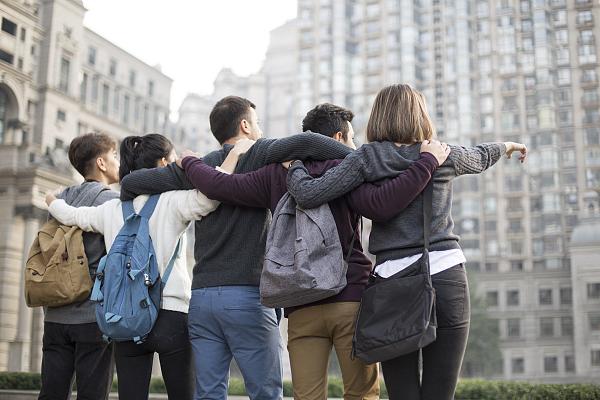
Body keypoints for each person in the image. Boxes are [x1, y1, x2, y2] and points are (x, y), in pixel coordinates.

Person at [176, 103, 450, 400]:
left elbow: (220, 186)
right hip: (350, 298)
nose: (356, 145)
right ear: (338, 137)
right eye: (353, 138)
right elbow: (383, 203)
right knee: (361, 394)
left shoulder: (275, 173)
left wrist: (191, 162)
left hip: (301, 301)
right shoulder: (353, 167)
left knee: (306, 396)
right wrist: (426, 162)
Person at [285, 84, 528, 400]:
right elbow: (479, 156)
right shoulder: (441, 153)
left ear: (379, 117)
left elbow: (311, 193)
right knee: (440, 394)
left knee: (403, 394)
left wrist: (296, 166)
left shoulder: (366, 158)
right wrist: (507, 145)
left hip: (391, 284)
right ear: (420, 114)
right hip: (446, 276)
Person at [118, 96, 360, 400]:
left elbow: (131, 183)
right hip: (247, 295)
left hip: (202, 300)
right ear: (245, 125)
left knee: (208, 394)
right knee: (266, 392)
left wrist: (182, 164)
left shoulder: (200, 165)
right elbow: (310, 142)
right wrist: (361, 157)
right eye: (256, 123)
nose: (259, 129)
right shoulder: (260, 152)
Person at [44, 133, 252, 400]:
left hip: (125, 317)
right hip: (172, 315)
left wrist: (53, 200)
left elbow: (73, 216)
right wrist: (233, 156)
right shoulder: (174, 202)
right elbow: (213, 193)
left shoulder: (111, 208)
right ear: (165, 164)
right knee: (183, 395)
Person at [39, 132, 119, 400]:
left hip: (54, 315)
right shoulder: (111, 202)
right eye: (114, 156)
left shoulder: (60, 199)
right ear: (101, 163)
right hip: (92, 316)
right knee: (93, 394)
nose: (118, 162)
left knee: (51, 393)